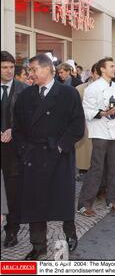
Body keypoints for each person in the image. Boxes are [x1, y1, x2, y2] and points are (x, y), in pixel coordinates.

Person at [13, 53, 85, 259]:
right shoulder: (26, 96)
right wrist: (24, 150)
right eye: (29, 70)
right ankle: (38, 245)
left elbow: (78, 126)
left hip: (59, 156)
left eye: (33, 70)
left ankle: (70, 232)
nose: (30, 74)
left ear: (47, 69)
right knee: (35, 203)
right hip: (33, 157)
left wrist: (62, 147)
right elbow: (17, 128)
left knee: (62, 199)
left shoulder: (68, 93)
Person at [78, 57, 115, 216]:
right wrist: (103, 113)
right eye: (111, 66)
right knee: (96, 168)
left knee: (114, 167)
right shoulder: (93, 88)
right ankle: (84, 204)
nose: (114, 68)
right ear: (102, 69)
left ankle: (111, 199)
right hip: (99, 132)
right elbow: (86, 110)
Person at [1, 51, 28, 248]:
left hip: (14, 149)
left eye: (11, 67)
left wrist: (14, 130)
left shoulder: (24, 90)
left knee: (13, 191)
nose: (9, 71)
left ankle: (12, 231)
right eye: (4, 67)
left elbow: (29, 120)